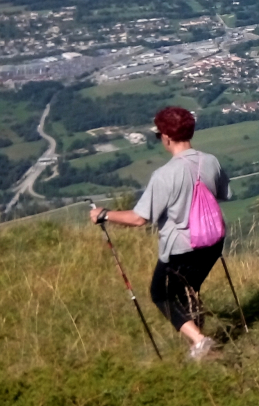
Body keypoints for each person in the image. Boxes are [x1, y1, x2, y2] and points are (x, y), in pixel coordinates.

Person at [89, 106, 229, 361]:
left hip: (181, 249)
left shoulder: (164, 175)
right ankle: (199, 346)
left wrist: (105, 214)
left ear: (165, 136)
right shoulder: (210, 161)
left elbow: (139, 218)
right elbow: (222, 194)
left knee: (161, 294)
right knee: (190, 290)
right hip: (213, 242)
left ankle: (200, 341)